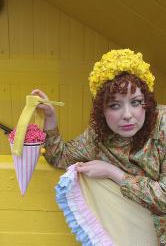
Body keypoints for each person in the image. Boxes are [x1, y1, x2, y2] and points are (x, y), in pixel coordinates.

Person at [31, 49, 166, 245]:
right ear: (101, 110)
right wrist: (50, 118)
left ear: (147, 102)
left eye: (135, 102)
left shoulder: (163, 124)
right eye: (115, 105)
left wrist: (113, 173)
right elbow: (59, 156)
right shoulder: (98, 135)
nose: (127, 115)